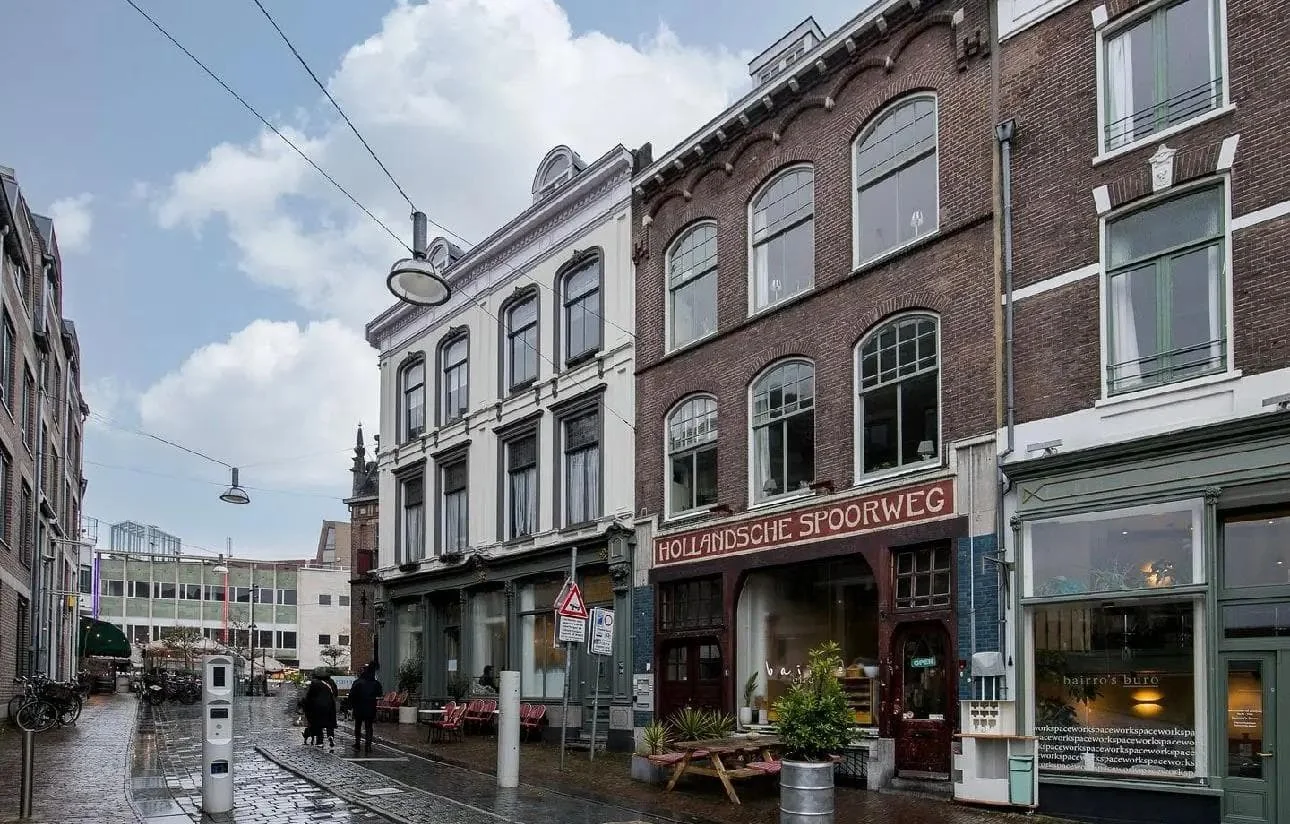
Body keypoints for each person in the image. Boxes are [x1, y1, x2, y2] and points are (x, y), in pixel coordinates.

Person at [348, 661, 383, 754]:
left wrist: (351, 706)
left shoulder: (357, 682)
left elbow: (351, 695)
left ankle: (357, 744)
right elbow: (380, 694)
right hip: (370, 707)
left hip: (358, 707)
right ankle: (368, 746)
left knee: (358, 725)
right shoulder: (375, 683)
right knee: (369, 727)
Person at [300, 667, 338, 750]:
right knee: (329, 722)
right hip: (330, 705)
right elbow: (335, 693)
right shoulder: (331, 682)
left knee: (318, 724)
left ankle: (320, 742)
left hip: (318, 707)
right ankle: (330, 736)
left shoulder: (315, 683)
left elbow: (309, 696)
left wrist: (305, 705)